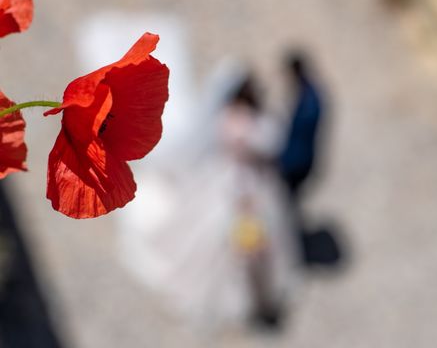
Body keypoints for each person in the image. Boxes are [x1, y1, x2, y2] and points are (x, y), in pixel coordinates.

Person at [116, 61, 297, 334]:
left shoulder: (234, 118)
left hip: (240, 185)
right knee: (222, 241)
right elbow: (268, 144)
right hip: (238, 188)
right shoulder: (240, 122)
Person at [278, 51, 324, 252]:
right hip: (297, 158)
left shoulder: (310, 99)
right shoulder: (306, 92)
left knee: (286, 201)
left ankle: (290, 241)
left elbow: (300, 131)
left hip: (297, 161)